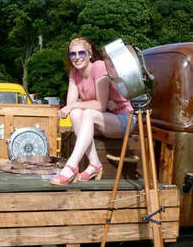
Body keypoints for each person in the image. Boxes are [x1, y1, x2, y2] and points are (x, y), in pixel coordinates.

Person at [51, 37, 133, 185]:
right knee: (75, 114)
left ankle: (71, 166)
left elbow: (100, 106)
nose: (77, 57)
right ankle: (94, 163)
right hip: (102, 119)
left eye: (81, 53)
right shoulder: (74, 73)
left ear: (90, 54)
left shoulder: (99, 67)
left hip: (123, 118)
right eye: (73, 54)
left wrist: (76, 105)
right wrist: (74, 106)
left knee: (87, 113)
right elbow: (71, 105)